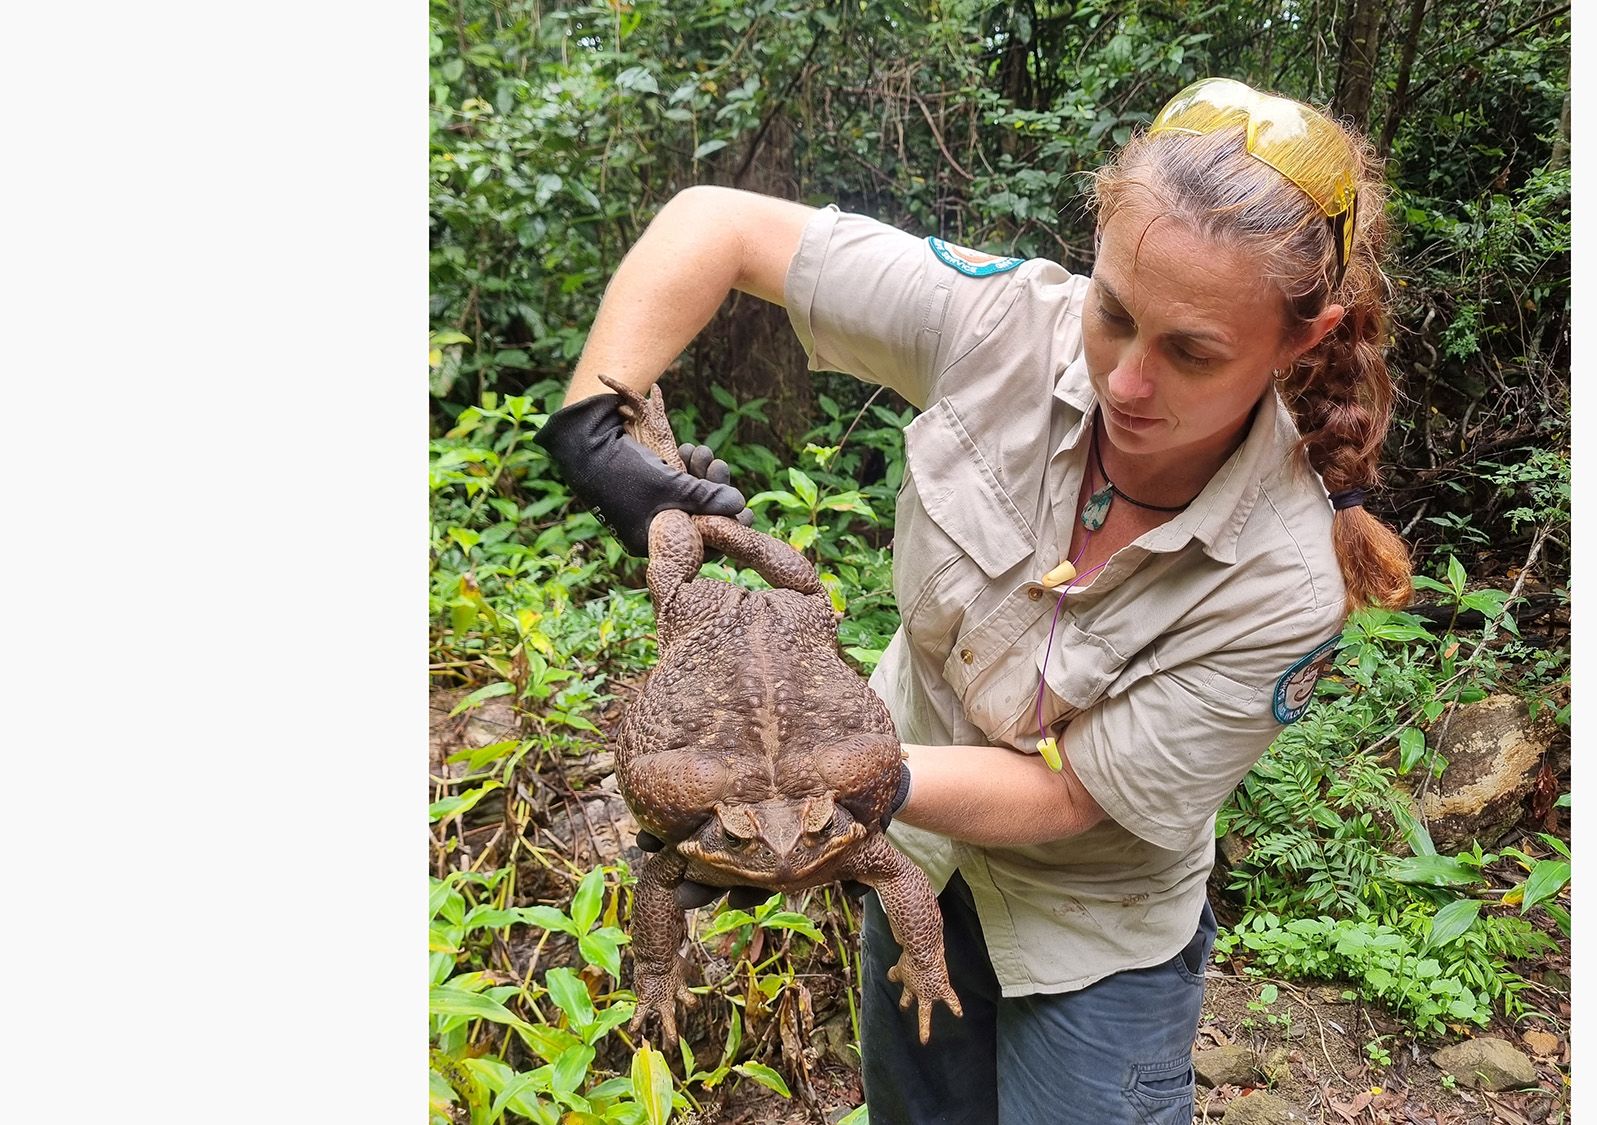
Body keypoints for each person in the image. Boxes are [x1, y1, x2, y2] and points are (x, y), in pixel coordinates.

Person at [538, 77, 1412, 1125]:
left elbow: (1071, 797)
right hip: (911, 862)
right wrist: (594, 424)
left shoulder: (1284, 579)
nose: (1124, 382)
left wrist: (820, 787)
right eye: (1114, 314)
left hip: (1089, 932)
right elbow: (715, 226)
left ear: (1300, 341)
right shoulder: (1001, 324)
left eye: (1190, 352)